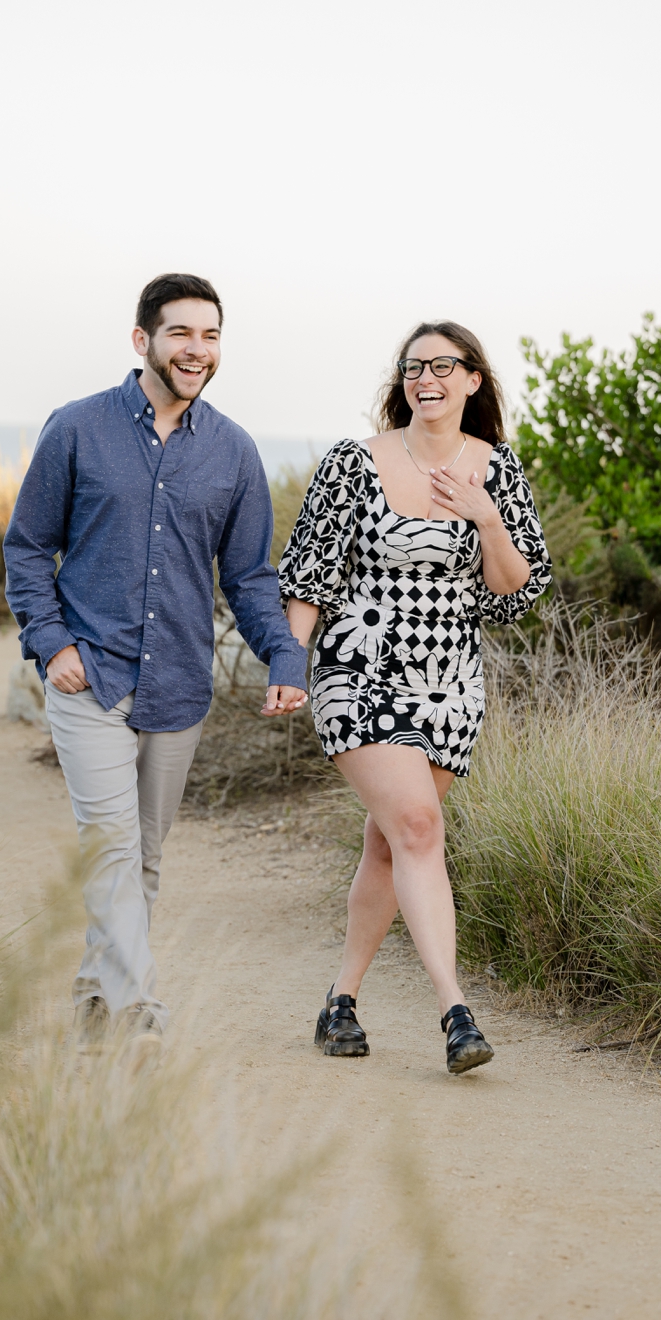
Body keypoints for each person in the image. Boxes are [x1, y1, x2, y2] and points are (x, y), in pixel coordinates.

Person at [3, 273, 308, 1044]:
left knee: (142, 859)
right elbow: (29, 548)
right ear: (143, 340)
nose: (196, 350)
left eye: (209, 335)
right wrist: (52, 644)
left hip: (178, 683)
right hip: (90, 676)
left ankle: (95, 1001)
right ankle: (139, 1009)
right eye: (181, 333)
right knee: (109, 847)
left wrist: (283, 656)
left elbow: (247, 577)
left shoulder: (234, 453)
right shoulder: (76, 429)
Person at [278, 320, 551, 1074]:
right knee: (420, 826)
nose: (425, 377)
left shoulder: (500, 472)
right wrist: (282, 664)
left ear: (473, 380)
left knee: (391, 838)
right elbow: (309, 576)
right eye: (412, 366)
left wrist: (485, 516)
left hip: (448, 685)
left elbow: (510, 593)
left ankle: (341, 1001)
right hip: (355, 672)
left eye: (443, 365)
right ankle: (455, 1012)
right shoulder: (352, 464)